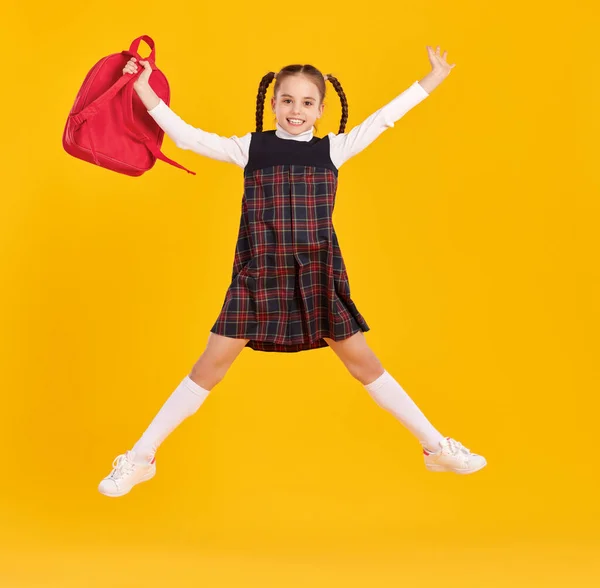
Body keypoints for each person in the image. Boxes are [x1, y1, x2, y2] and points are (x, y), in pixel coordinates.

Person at [98, 46, 486, 498]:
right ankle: (140, 457)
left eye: (306, 102)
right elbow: (186, 137)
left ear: (321, 110)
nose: (295, 110)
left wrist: (432, 79)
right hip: (258, 274)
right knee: (210, 366)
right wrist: (142, 87)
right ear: (273, 103)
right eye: (286, 100)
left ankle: (435, 447)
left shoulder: (334, 149)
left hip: (316, 274)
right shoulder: (251, 148)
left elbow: (383, 118)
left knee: (365, 365)